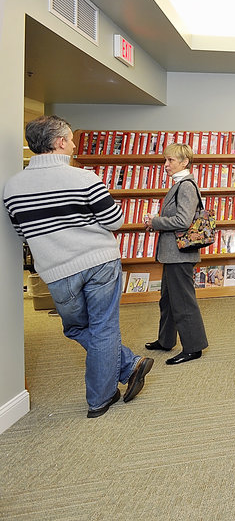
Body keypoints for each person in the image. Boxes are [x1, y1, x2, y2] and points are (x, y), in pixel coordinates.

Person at [3, 115, 153, 418]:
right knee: (102, 328)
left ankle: (109, 388)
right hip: (99, 262)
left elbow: (23, 234)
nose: (73, 144)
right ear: (59, 143)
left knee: (76, 328)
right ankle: (118, 376)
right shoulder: (85, 178)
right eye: (70, 139)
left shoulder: (12, 188)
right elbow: (115, 221)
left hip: (56, 271)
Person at [143, 143, 208, 365]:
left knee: (183, 302)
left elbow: (183, 220)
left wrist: (155, 222)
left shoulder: (186, 186)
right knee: (168, 300)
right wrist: (156, 223)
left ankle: (193, 347)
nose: (165, 165)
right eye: (165, 160)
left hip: (180, 254)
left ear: (184, 162)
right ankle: (166, 340)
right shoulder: (179, 184)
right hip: (173, 254)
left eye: (170, 160)